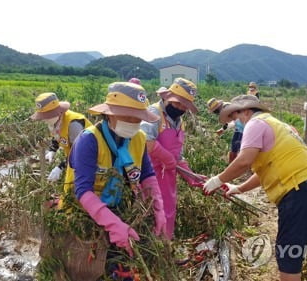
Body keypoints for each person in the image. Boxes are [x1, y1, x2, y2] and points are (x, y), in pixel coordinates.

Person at [203, 95, 307, 281]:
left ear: (246, 111)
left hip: (299, 189)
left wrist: (216, 180)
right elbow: (265, 170)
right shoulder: (278, 125)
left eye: (235, 116)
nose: (235, 122)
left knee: (287, 254)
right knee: (292, 250)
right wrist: (238, 188)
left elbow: (244, 161)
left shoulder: (255, 124)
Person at [68, 81, 166, 278]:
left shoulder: (138, 138)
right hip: (84, 211)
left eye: (137, 118)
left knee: (124, 262)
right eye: (127, 116)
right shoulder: (89, 140)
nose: (132, 122)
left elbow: (147, 175)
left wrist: (158, 206)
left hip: (118, 206)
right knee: (87, 266)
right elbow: (82, 191)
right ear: (109, 114)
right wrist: (113, 224)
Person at [140, 77, 204, 240]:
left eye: (184, 105)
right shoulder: (154, 113)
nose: (181, 108)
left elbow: (178, 155)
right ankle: (154, 250)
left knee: (169, 210)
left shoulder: (179, 121)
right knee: (153, 211)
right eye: (177, 103)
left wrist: (191, 176)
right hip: (150, 174)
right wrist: (167, 157)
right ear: (168, 97)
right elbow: (146, 142)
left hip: (168, 176)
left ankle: (166, 249)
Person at [30, 93, 91, 193]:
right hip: (74, 159)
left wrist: (60, 167)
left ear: (57, 112)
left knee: (78, 189)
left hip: (88, 159)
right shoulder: (54, 122)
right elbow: (57, 136)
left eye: (47, 116)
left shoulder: (74, 124)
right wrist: (52, 150)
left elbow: (77, 153)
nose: (44, 119)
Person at [207, 98, 242, 163]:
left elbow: (235, 121)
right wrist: (222, 129)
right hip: (239, 127)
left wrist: (222, 130)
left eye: (215, 111)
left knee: (240, 148)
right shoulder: (224, 108)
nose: (216, 113)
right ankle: (231, 165)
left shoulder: (227, 108)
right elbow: (229, 122)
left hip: (243, 127)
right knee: (234, 147)